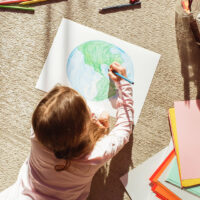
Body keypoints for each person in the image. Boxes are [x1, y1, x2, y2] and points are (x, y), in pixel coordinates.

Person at [0, 62, 134, 200]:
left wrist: (94, 114)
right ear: (84, 128)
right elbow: (124, 129)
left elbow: (62, 115)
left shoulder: (37, 133)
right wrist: (124, 86)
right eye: (89, 112)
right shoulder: (96, 155)